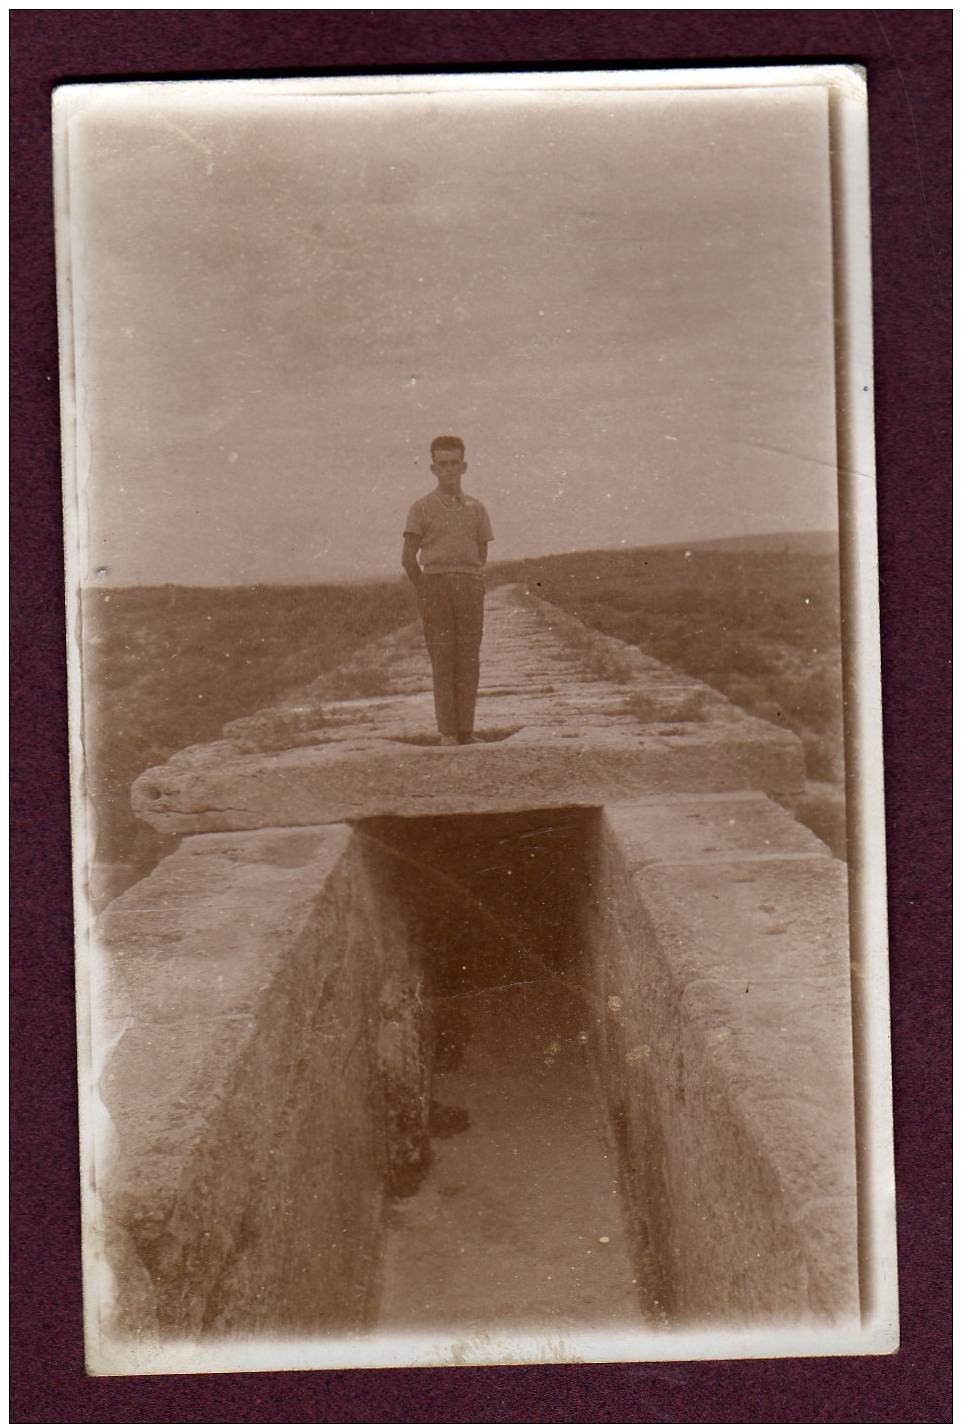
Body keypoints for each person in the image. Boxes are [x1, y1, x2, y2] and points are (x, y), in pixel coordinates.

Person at [402, 436, 494, 746]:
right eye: (443, 464)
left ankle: (467, 731)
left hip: (469, 584)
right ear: (433, 468)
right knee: (443, 657)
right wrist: (428, 588)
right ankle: (448, 734)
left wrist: (467, 577)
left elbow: (481, 553)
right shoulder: (421, 508)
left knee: (469, 657)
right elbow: (407, 558)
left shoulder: (476, 508)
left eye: (455, 463)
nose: (449, 470)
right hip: (435, 586)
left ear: (464, 466)